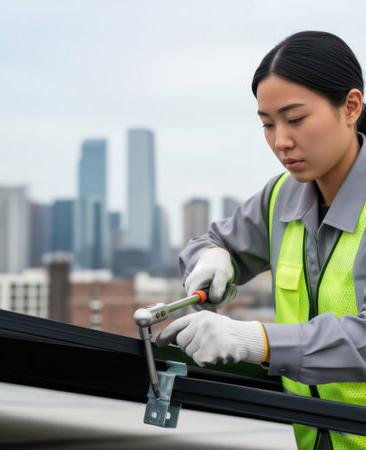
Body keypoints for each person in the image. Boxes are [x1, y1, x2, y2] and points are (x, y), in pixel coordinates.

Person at [155, 31, 366, 450]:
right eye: (267, 125)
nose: (280, 141)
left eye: (296, 119)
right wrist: (212, 258)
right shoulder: (281, 196)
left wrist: (256, 341)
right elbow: (215, 240)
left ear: (351, 107)